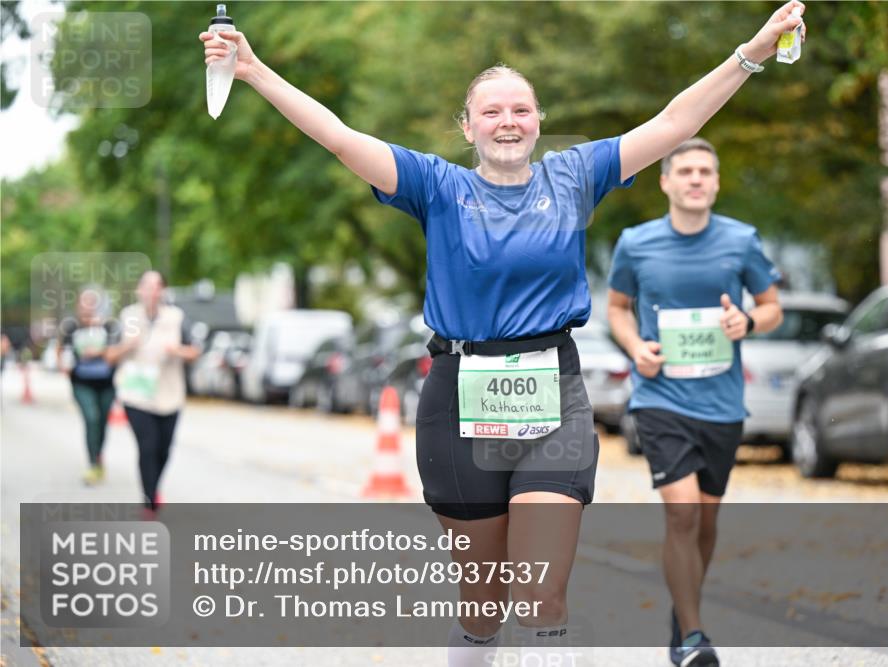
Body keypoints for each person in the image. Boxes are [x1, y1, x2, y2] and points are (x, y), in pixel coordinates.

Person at [201, 3, 805, 664]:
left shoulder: (575, 176)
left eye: (520, 109)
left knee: (542, 591)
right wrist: (255, 70)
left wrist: (750, 52)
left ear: (539, 120)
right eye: (491, 111)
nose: (508, 121)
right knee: (482, 603)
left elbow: (675, 121)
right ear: (467, 126)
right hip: (459, 398)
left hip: (554, 393)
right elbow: (341, 138)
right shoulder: (436, 186)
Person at [607, 138, 784, 666]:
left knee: (705, 523)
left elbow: (772, 306)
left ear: (717, 182)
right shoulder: (635, 244)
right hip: (660, 398)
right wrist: (637, 347)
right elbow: (617, 308)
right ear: (665, 181)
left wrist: (747, 320)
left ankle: (683, 617)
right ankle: (693, 639)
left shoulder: (741, 240)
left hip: (722, 404)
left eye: (706, 171)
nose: (695, 179)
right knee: (682, 516)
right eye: (685, 170)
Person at [106, 272, 200, 518]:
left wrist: (176, 350)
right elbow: (109, 356)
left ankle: (154, 488)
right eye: (147, 286)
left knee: (164, 449)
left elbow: (194, 352)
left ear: (164, 291)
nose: (152, 291)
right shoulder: (127, 317)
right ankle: (149, 502)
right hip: (136, 394)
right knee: (147, 447)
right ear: (139, 290)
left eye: (157, 286)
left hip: (169, 393)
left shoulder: (177, 318)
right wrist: (129, 345)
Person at [56, 287, 119, 485]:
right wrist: (63, 366)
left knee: (102, 423)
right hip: (81, 382)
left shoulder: (108, 327)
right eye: (84, 302)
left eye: (92, 303)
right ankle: (92, 464)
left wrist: (98, 352)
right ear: (78, 305)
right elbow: (60, 349)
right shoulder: (71, 327)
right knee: (92, 418)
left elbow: (115, 353)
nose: (88, 307)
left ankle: (98, 456)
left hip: (106, 384)